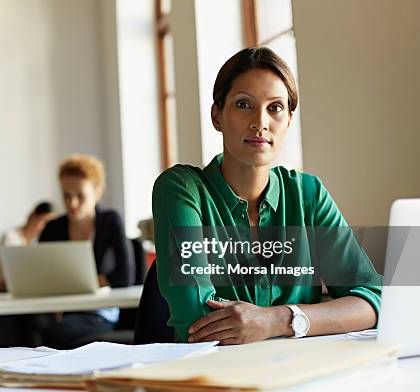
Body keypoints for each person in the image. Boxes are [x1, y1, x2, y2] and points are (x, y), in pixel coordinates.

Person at [152, 47, 382, 344]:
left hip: (302, 374)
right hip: (217, 379)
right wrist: (318, 317)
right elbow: (199, 324)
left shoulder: (307, 194)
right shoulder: (181, 189)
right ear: (217, 115)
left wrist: (279, 319)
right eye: (244, 104)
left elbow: (371, 299)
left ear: (288, 120)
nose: (260, 121)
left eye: (275, 108)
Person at [40, 154, 134, 349]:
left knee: (56, 333)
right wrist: (95, 280)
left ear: (97, 192)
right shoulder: (52, 228)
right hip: (61, 311)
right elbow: (43, 277)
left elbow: (125, 277)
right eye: (66, 196)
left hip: (100, 313)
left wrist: (77, 284)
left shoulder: (110, 221)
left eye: (80, 196)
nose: (72, 203)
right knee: (19, 322)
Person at [0, 202, 55, 293]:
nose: (47, 227)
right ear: (32, 216)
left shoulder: (37, 244)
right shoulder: (10, 237)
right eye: (45, 222)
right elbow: (11, 275)